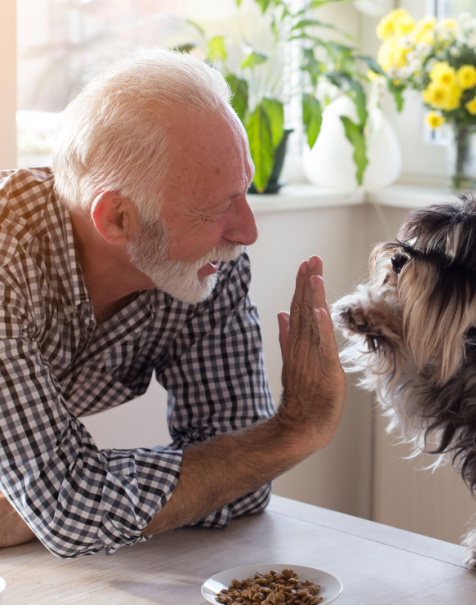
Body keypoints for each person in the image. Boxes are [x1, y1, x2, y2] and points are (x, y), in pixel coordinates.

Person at [0, 48, 347, 557]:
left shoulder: (205, 267)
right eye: (215, 208)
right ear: (117, 219)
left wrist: (59, 497)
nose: (247, 231)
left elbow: (244, 485)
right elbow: (71, 511)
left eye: (244, 191)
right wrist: (291, 433)